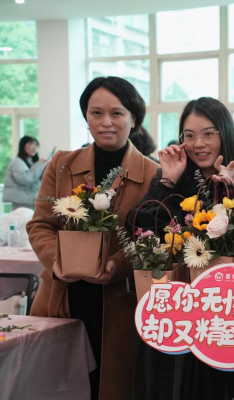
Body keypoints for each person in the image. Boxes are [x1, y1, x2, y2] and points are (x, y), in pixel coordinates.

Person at [26, 76, 159, 400]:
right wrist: (56, 261)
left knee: (111, 385)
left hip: (119, 304)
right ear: (86, 117)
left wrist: (118, 264)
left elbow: (152, 238)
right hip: (62, 296)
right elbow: (40, 225)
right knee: (53, 387)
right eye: (96, 113)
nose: (105, 122)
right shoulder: (62, 164)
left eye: (116, 113)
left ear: (134, 119)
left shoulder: (152, 173)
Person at [125, 97, 234, 400]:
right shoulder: (175, 180)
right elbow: (138, 226)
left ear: (224, 134)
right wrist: (167, 178)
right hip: (172, 317)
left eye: (208, 134)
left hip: (221, 319)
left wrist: (229, 190)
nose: (198, 144)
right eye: (189, 135)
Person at [2, 136, 48, 210]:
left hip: (29, 200)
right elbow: (26, 179)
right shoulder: (17, 162)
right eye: (31, 144)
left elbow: (39, 180)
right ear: (23, 145)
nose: (34, 148)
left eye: (36, 145)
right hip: (21, 202)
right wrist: (39, 165)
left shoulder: (31, 162)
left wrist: (45, 168)